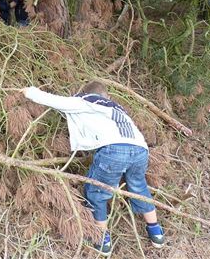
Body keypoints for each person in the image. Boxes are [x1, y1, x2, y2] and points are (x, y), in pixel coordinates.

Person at [21, 81, 165, 256]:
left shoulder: (86, 101)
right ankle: (156, 233)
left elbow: (57, 101)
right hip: (140, 150)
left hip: (114, 150)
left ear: (86, 94)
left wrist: (31, 92)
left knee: (97, 192)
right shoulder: (117, 108)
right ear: (107, 97)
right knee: (139, 187)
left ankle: (102, 239)